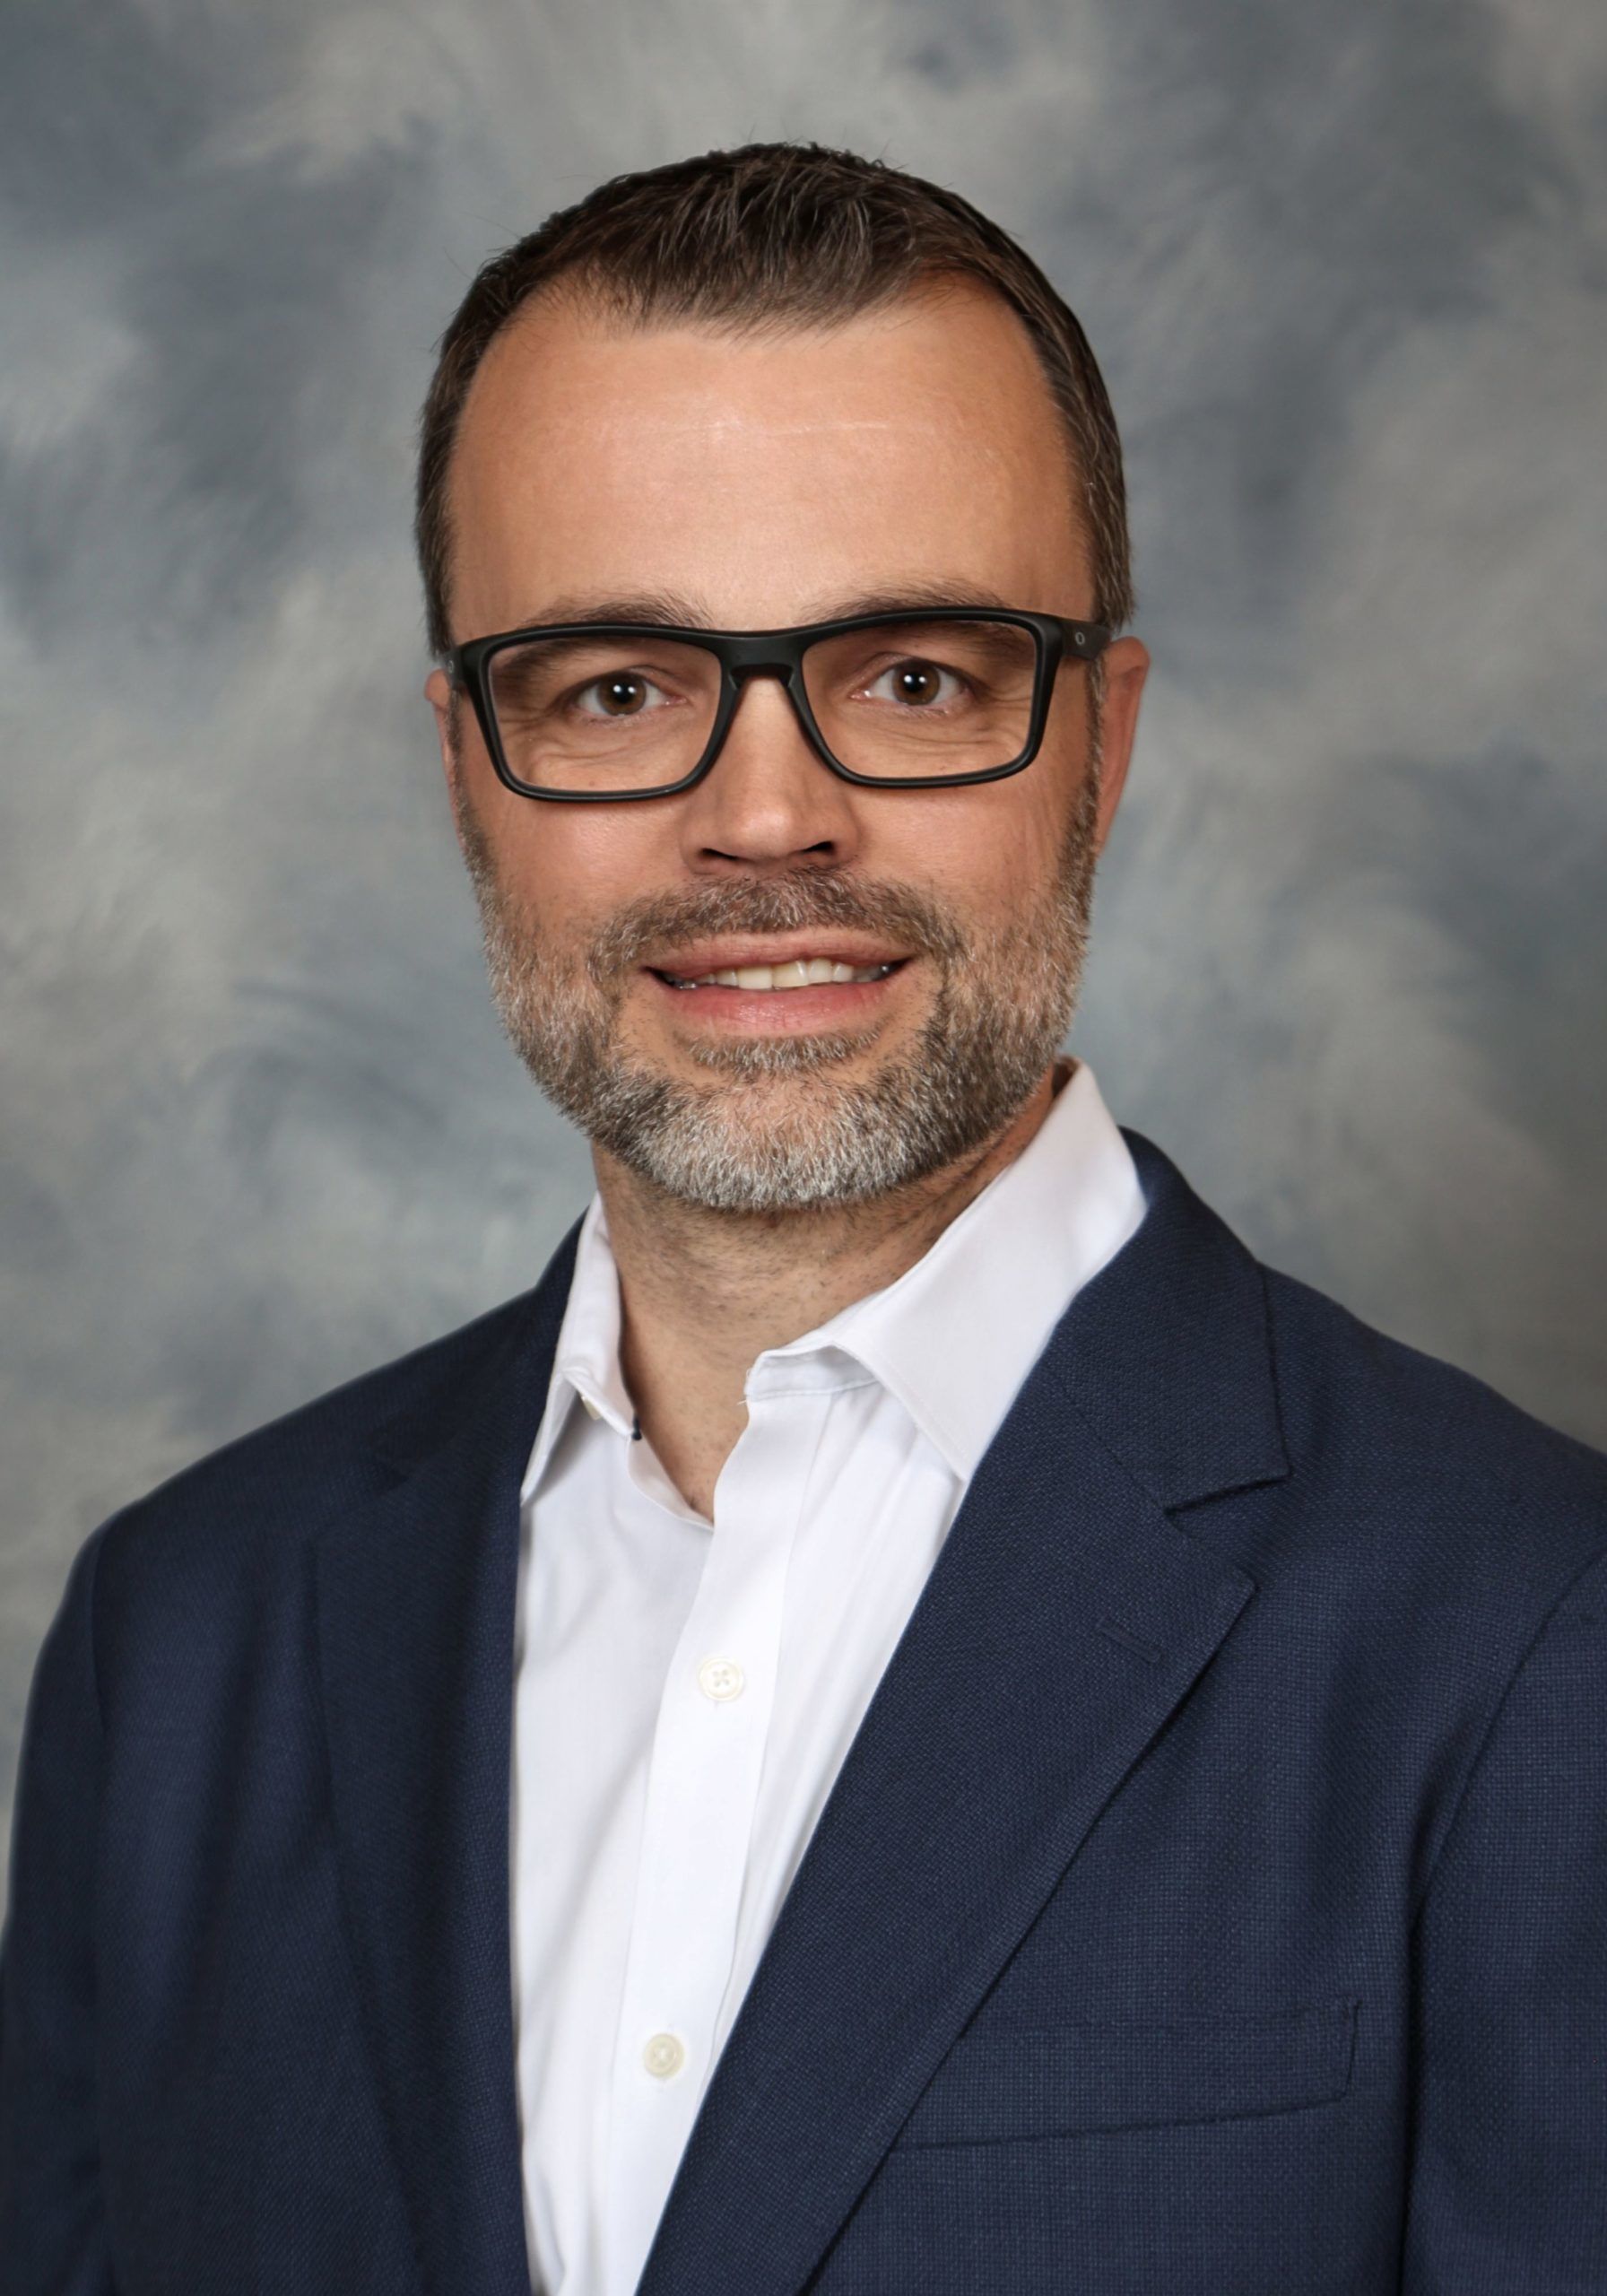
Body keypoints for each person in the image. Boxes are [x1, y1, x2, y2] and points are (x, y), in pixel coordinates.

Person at [3, 139, 1603, 2296]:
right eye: (617, 687)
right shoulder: (175, 1639)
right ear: (467, 766)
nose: (765, 818)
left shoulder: (1530, 1638)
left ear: (1098, 749)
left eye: (915, 676)